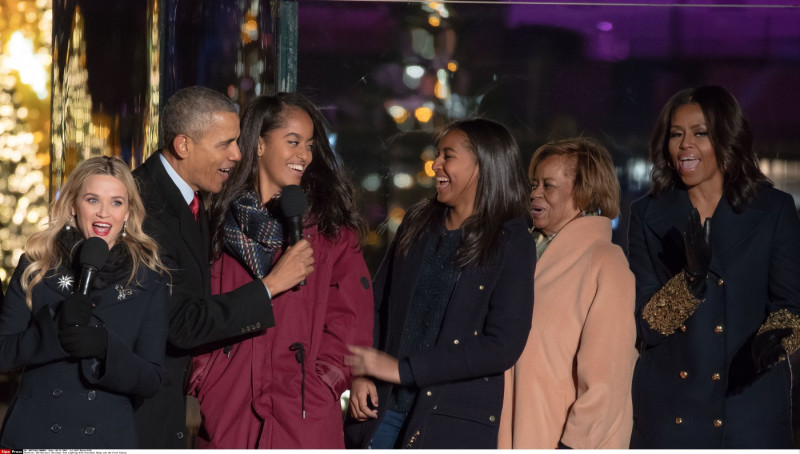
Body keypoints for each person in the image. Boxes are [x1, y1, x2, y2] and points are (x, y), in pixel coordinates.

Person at [132, 86, 314, 447]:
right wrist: (271, 285)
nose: (237, 154)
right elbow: (180, 323)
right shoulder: (143, 207)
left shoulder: (195, 201)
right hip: (133, 414)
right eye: (225, 144)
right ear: (183, 146)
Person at [188, 93, 373, 448]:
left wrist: (321, 384)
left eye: (309, 145)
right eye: (293, 142)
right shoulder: (216, 225)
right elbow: (196, 310)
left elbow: (352, 323)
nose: (303, 155)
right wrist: (207, 379)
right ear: (258, 144)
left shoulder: (330, 232)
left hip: (304, 420)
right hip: (229, 415)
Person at [343, 118, 535, 449]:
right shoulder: (418, 222)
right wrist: (361, 374)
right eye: (438, 154)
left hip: (451, 422)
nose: (435, 165)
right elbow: (377, 304)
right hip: (382, 410)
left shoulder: (512, 241)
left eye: (448, 156)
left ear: (483, 165)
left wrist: (405, 370)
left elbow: (501, 346)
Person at [628, 85, 800, 448]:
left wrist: (776, 339)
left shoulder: (775, 210)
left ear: (727, 139)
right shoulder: (646, 215)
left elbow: (791, 307)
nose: (685, 144)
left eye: (700, 133)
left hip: (748, 404)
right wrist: (691, 281)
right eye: (676, 134)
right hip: (673, 409)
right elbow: (647, 326)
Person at [0, 156, 168, 448]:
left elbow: (151, 379)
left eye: (116, 202)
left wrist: (106, 349)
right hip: (34, 432)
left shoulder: (148, 282)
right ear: (73, 206)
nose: (104, 213)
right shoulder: (36, 266)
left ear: (128, 212)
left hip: (106, 436)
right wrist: (53, 327)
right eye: (93, 200)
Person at [496, 138, 637, 449]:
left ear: (584, 193)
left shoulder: (605, 262)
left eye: (548, 185)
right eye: (534, 184)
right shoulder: (519, 251)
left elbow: (606, 383)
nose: (534, 193)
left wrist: (573, 447)